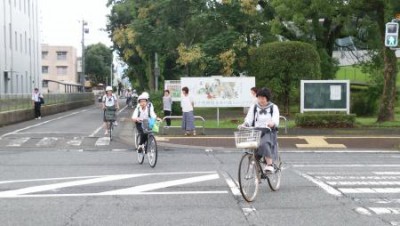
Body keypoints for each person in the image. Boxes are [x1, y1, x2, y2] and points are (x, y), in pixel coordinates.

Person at [239, 88, 280, 172]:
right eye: (259, 98)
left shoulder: (273, 107)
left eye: (263, 98)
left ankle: (269, 164)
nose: (261, 100)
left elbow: (275, 119)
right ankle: (256, 163)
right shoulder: (254, 106)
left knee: (264, 143)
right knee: (249, 145)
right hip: (256, 130)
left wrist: (272, 123)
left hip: (268, 130)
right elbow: (249, 118)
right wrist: (245, 124)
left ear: (267, 98)